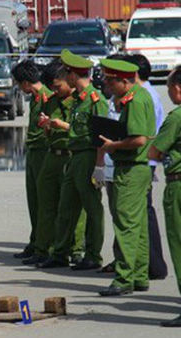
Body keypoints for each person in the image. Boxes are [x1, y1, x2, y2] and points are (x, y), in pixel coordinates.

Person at [37, 49, 108, 270]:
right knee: (66, 206)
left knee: (91, 208)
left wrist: (98, 165)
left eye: (67, 72)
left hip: (87, 156)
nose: (65, 77)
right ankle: (60, 252)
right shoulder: (79, 99)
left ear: (73, 74)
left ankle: (92, 254)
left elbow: (101, 135)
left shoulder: (96, 100)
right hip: (74, 156)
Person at [101, 54, 168, 280]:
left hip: (131, 168)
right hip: (135, 167)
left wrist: (113, 145)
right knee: (137, 225)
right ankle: (138, 275)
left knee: (126, 225)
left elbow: (140, 139)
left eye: (111, 81)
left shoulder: (137, 100)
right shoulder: (137, 96)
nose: (107, 85)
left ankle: (125, 276)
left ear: (125, 80)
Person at [27, 59, 86, 265]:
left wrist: (63, 125)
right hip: (52, 155)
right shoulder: (50, 101)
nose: (55, 90)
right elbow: (45, 126)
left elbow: (85, 130)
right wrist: (47, 126)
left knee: (72, 208)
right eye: (52, 87)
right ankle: (44, 248)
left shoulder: (81, 102)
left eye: (58, 86)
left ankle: (76, 249)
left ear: (69, 80)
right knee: (45, 205)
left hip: (70, 155)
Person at [148, 65, 181, 326]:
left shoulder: (176, 117)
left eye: (169, 88)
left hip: (179, 185)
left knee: (179, 245)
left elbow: (154, 152)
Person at [11, 59, 52, 260]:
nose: (20, 88)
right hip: (34, 152)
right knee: (34, 201)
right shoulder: (35, 99)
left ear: (26, 82)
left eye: (19, 84)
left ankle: (44, 245)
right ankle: (35, 241)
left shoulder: (47, 98)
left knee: (44, 202)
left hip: (44, 153)